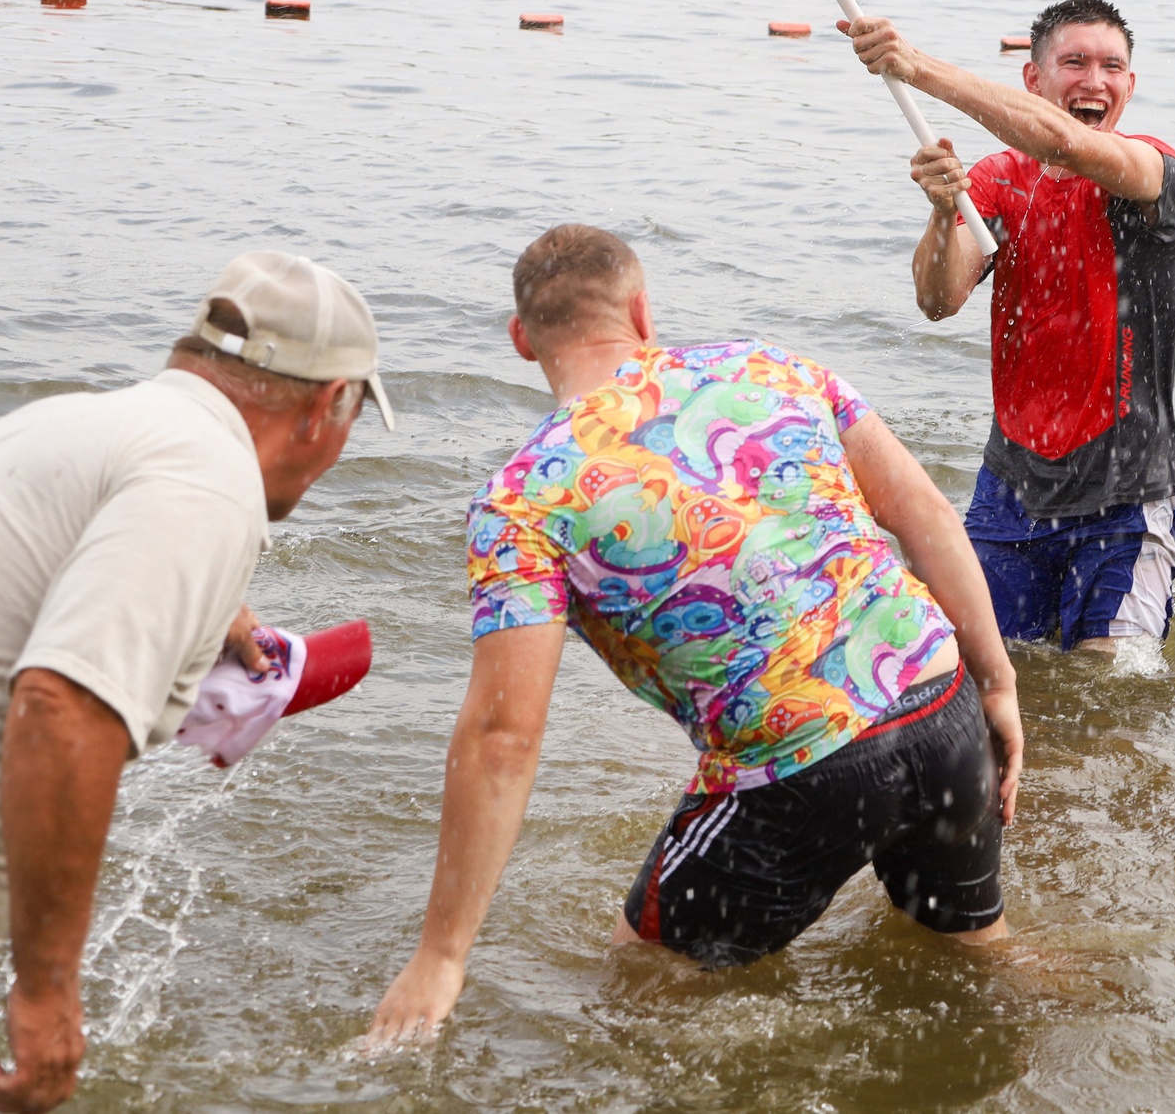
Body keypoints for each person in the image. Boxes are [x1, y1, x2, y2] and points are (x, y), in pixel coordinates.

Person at [364, 224, 1020, 1043]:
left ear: (521, 340)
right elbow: (920, 512)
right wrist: (995, 682)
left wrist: (441, 953)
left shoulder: (524, 497)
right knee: (977, 962)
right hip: (940, 698)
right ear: (642, 310)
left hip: (802, 765)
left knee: (638, 997)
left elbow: (504, 734)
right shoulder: (773, 366)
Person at [0, 254, 392, 1114]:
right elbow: (61, 707)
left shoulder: (72, 423)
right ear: (328, 406)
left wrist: (202, 605)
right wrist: (47, 993)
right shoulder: (208, 479)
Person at [840, 0, 1175, 657]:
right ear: (1034, 79)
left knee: (1104, 686)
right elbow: (938, 300)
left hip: (1125, 493)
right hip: (1012, 486)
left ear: (1130, 85)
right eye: (1075, 62)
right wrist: (946, 213)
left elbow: (1063, 140)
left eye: (1112, 66)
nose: (1095, 80)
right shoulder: (1000, 179)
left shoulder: (1152, 172)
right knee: (971, 672)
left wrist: (915, 66)